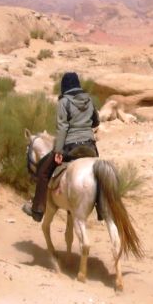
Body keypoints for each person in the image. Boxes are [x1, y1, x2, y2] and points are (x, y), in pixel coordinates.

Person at [22, 71, 100, 222]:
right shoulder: (89, 100)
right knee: (99, 173)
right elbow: (96, 122)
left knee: (44, 172)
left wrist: (58, 151)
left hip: (71, 147)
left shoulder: (63, 102)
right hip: (90, 147)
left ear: (64, 86)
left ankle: (37, 210)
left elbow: (62, 128)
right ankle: (101, 208)